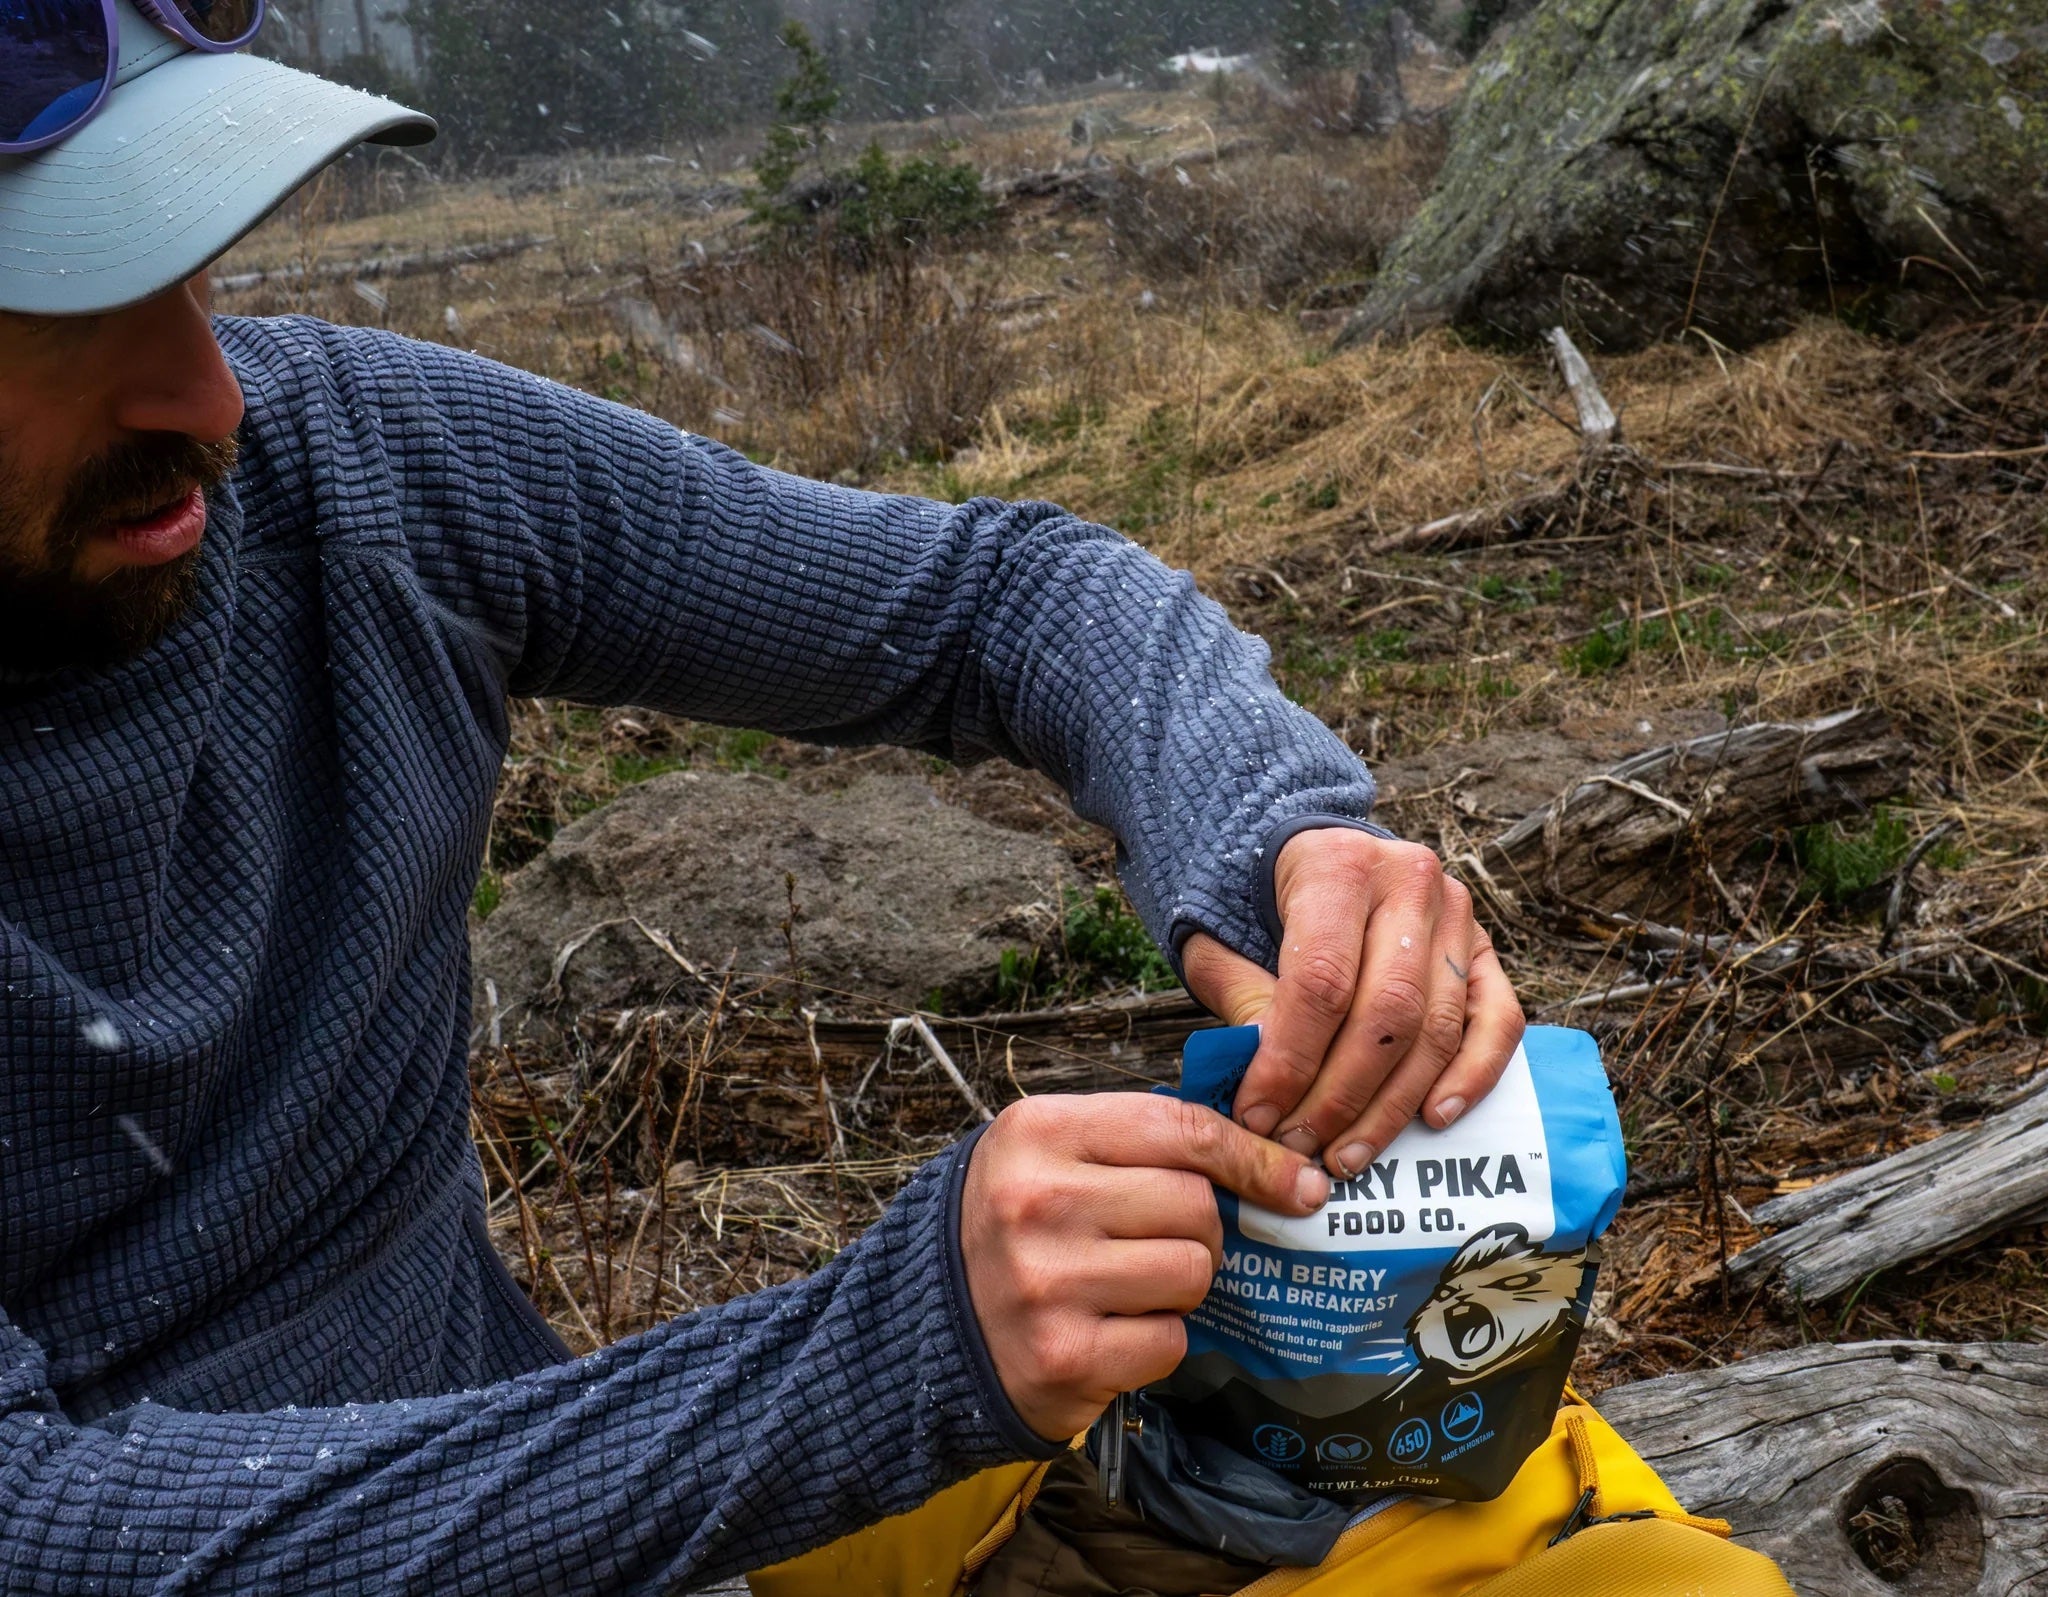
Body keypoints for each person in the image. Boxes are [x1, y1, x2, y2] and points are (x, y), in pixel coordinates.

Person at [0, 2, 1523, 1589]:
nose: (210, 395)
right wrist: (878, 1360)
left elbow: (996, 603)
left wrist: (1289, 833)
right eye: (62, 312)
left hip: (622, 1522)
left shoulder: (364, 473)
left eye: (191, 268)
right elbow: (41, 1534)